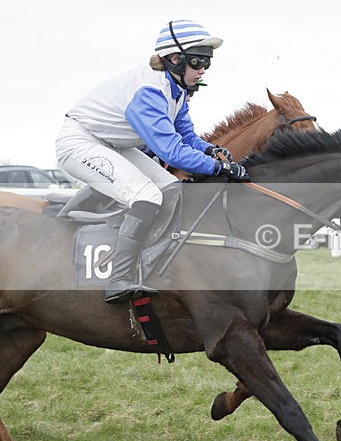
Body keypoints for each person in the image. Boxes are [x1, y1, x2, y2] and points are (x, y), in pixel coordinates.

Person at [56, 20, 251, 304]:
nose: (203, 70)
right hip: (81, 143)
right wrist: (218, 168)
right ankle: (119, 279)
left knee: (171, 189)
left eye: (207, 63)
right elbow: (170, 151)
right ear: (174, 59)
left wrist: (211, 151)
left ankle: (148, 260)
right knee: (146, 196)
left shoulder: (177, 89)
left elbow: (185, 135)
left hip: (113, 145)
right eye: (197, 62)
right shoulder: (149, 92)